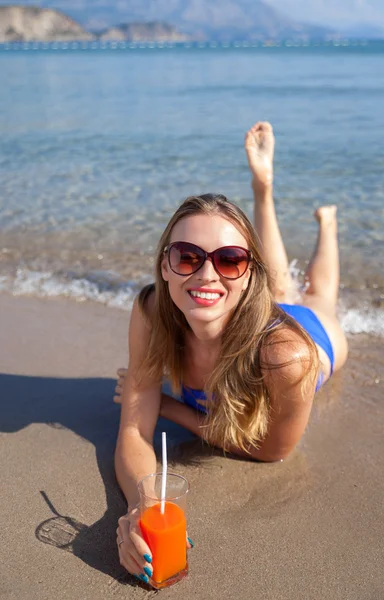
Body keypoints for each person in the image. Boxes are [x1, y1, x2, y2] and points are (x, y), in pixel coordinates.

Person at [113, 122, 348, 582]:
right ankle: (263, 190)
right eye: (186, 256)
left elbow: (271, 451)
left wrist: (169, 407)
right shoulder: (150, 310)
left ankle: (328, 222)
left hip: (317, 338)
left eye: (229, 259)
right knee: (277, 285)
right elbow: (132, 435)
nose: (204, 274)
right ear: (165, 263)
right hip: (248, 309)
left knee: (317, 295)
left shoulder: (288, 356)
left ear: (246, 272)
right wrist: (142, 508)